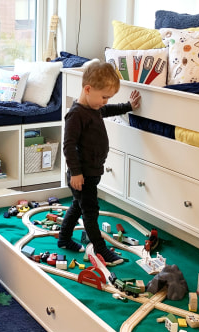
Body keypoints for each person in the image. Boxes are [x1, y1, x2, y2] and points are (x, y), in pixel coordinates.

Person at [57, 61, 141, 266]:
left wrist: (127, 106)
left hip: (92, 172)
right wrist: (76, 173)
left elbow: (108, 110)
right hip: (81, 175)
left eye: (108, 98)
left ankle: (64, 239)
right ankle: (100, 248)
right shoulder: (76, 114)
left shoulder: (94, 108)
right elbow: (68, 145)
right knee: (90, 212)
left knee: (78, 206)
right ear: (87, 89)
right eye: (104, 97)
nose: (105, 102)